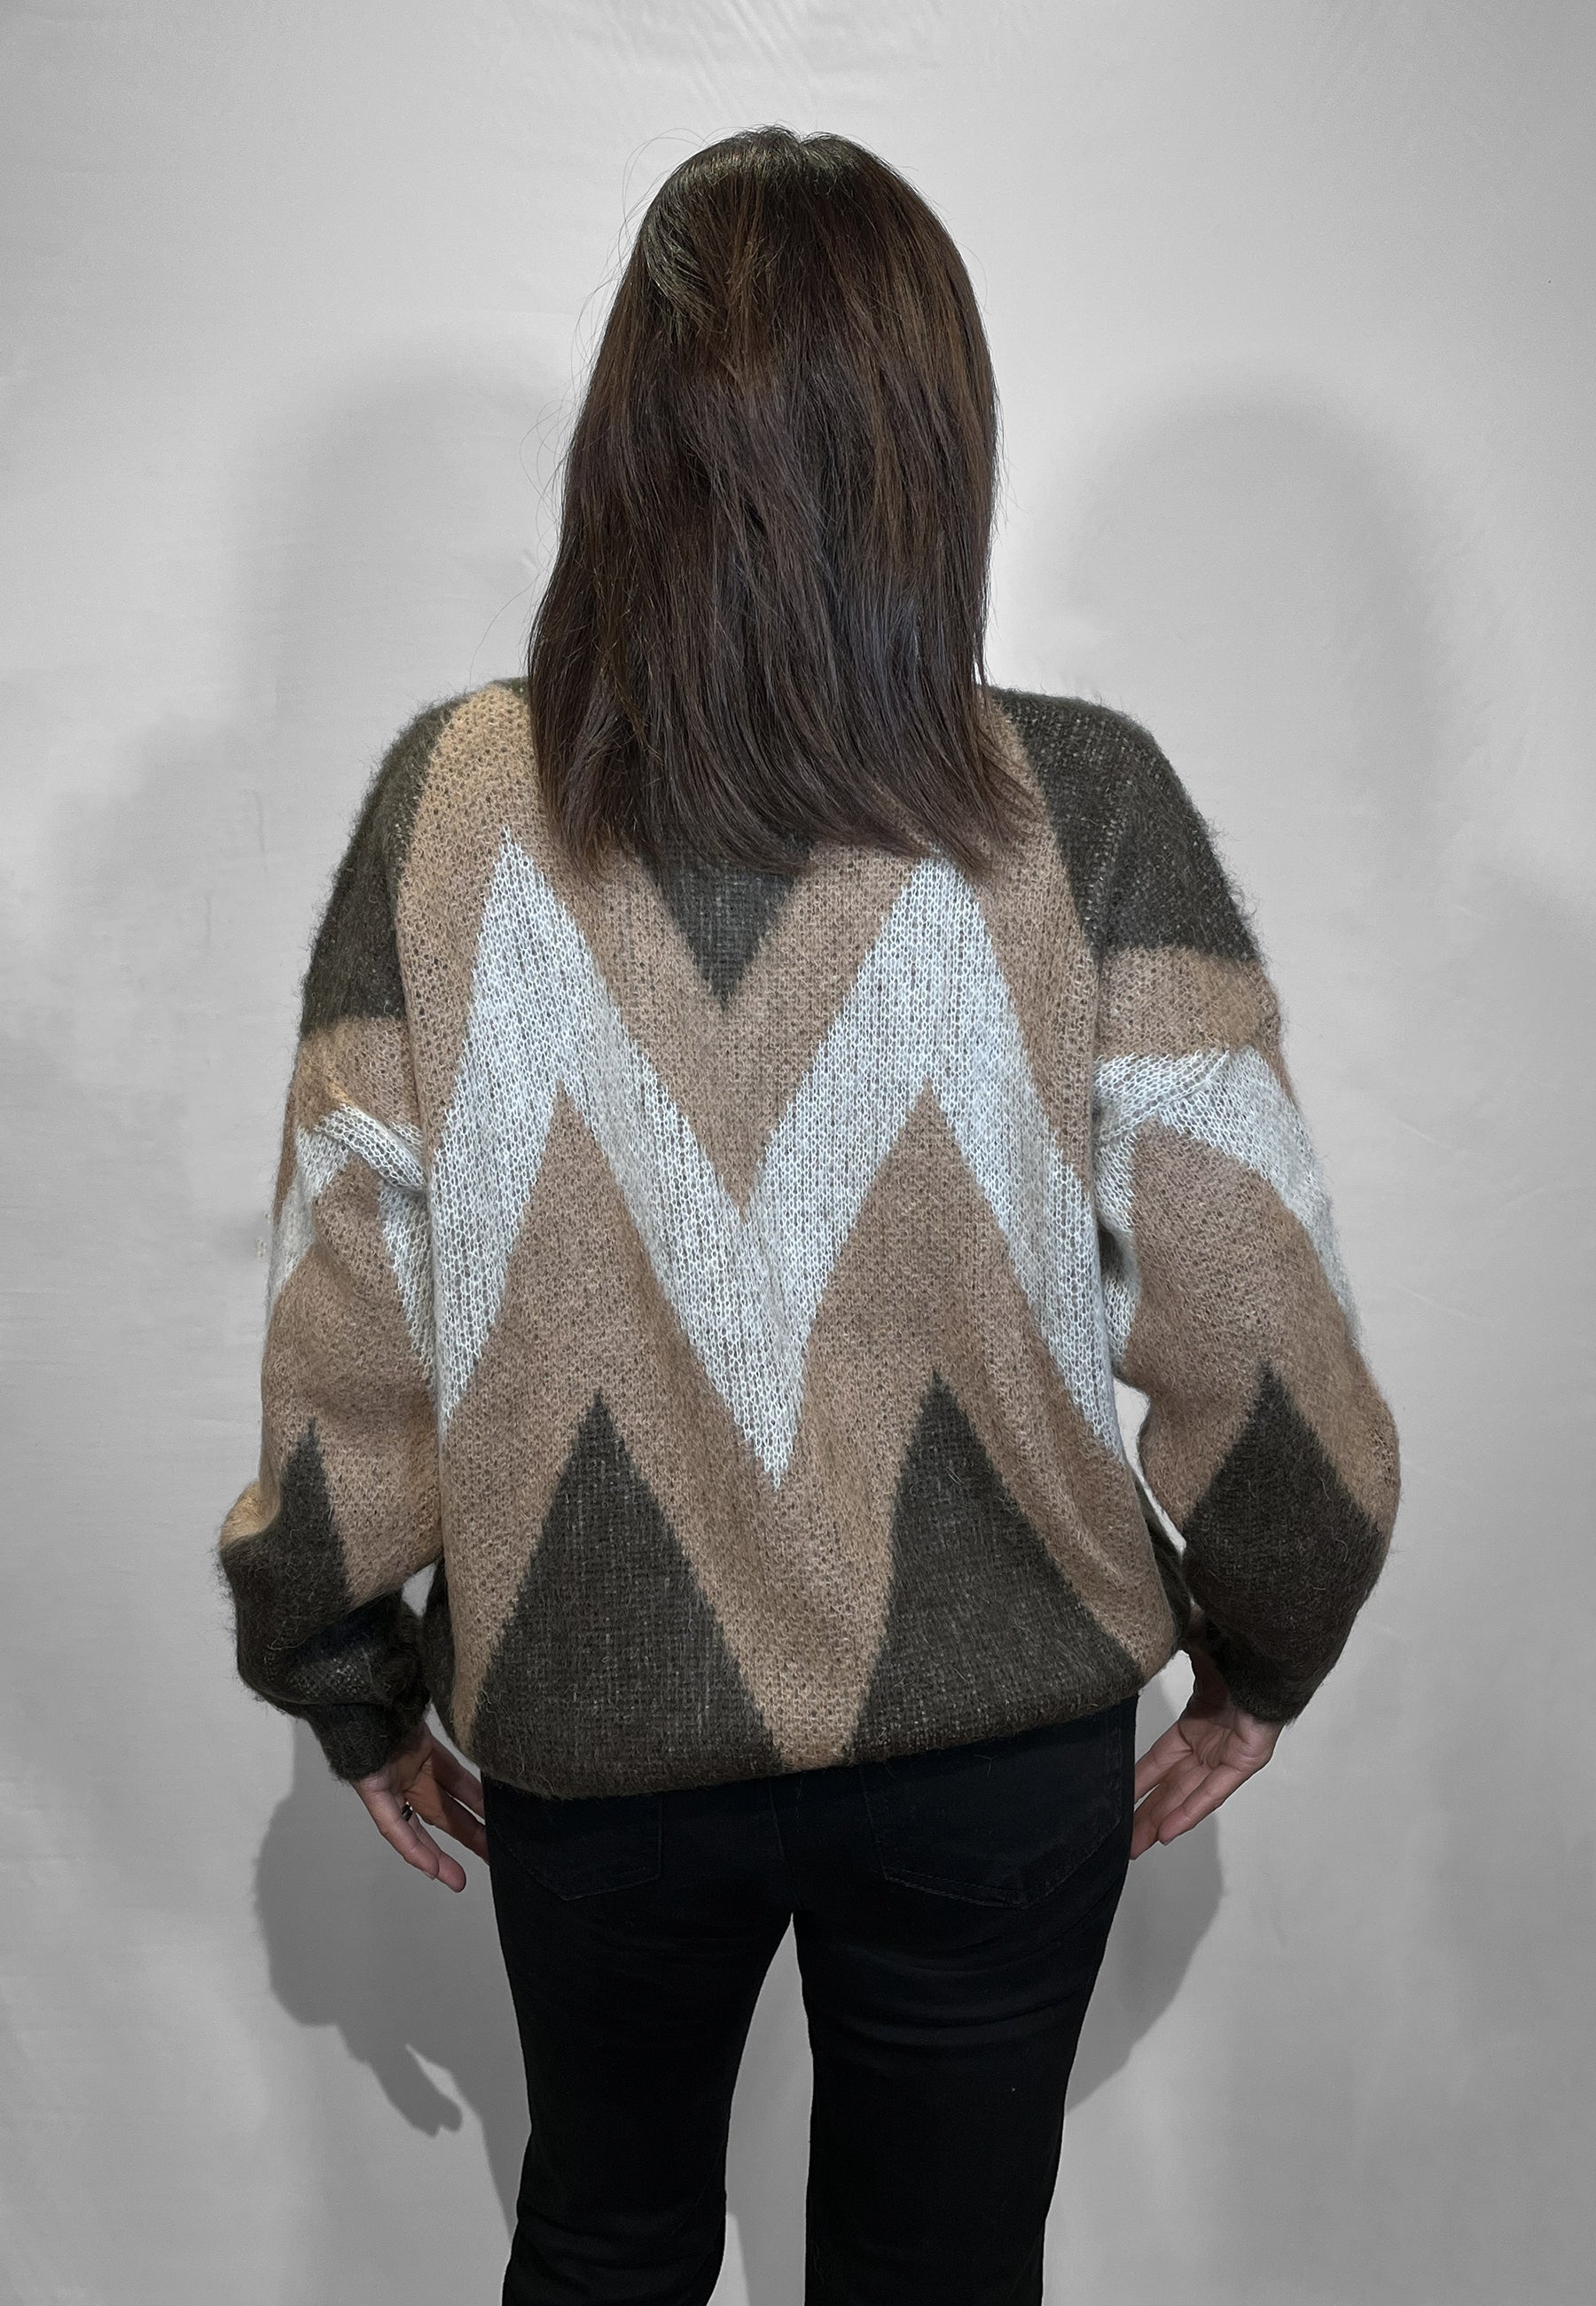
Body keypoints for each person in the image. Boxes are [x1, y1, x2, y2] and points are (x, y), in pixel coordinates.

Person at [217, 126, 1400, 2306]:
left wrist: (341, 1662)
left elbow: (344, 1296)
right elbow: (1252, 1309)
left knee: (603, 2240)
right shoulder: (1082, 805)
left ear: (627, 443)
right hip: (1000, 1751)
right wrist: (1271, 1631)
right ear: (939, 447)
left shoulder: (452, 808)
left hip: (594, 1725)